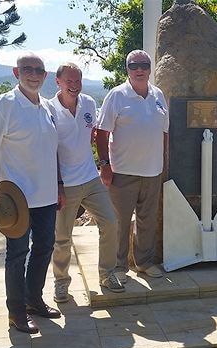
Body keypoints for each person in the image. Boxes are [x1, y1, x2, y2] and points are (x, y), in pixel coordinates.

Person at [0, 52, 63, 334]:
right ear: (16, 72)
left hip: (46, 196)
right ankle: (16, 313)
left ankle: (33, 300)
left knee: (44, 247)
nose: (33, 74)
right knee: (17, 254)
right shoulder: (5, 105)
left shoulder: (47, 107)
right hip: (16, 200)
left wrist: (59, 185)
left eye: (38, 70)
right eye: (27, 69)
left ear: (45, 75)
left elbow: (52, 151)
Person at [47, 62, 124, 297]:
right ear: (58, 82)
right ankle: (61, 282)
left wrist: (104, 164)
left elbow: (96, 132)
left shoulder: (89, 103)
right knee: (62, 236)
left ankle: (107, 273)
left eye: (78, 81)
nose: (74, 86)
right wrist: (58, 184)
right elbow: (48, 150)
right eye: (69, 81)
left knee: (110, 222)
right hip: (65, 183)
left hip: (90, 178)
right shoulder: (48, 109)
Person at [95, 49, 169, 282]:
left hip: (152, 170)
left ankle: (144, 263)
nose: (139, 69)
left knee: (147, 221)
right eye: (133, 65)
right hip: (122, 172)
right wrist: (105, 165)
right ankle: (118, 266)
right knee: (120, 222)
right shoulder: (117, 96)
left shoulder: (158, 95)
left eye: (144, 65)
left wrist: (163, 160)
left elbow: (164, 131)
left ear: (150, 69)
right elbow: (101, 133)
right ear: (127, 69)